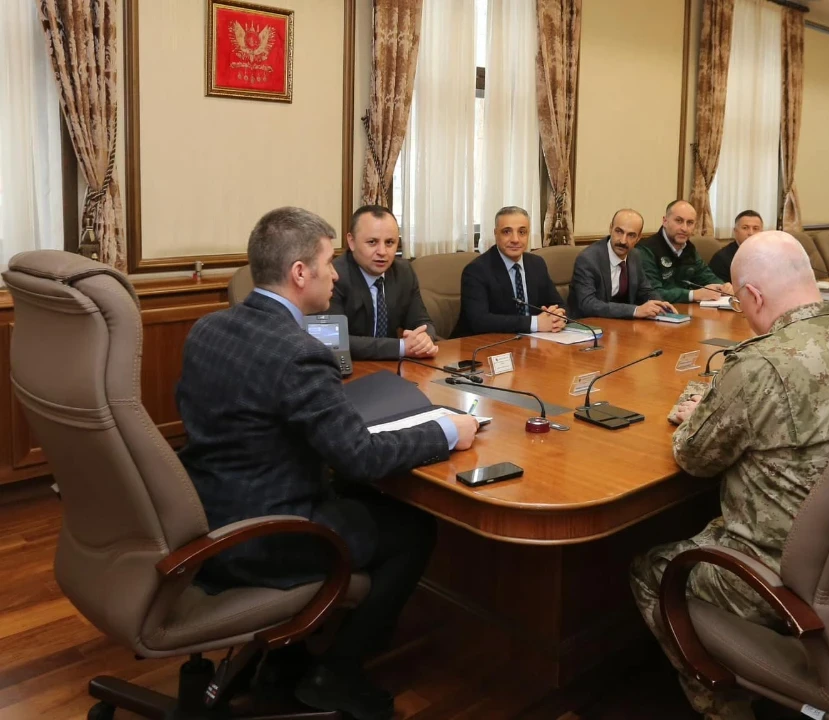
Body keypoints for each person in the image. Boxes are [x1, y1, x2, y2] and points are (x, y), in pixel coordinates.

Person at [177, 207, 479, 720]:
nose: (336, 274)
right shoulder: (300, 351)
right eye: (327, 263)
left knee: (359, 499)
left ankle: (288, 653)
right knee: (413, 529)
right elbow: (360, 457)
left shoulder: (207, 328)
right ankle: (336, 674)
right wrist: (447, 431)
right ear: (300, 273)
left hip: (207, 517)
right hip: (266, 536)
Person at [630, 231, 829, 720]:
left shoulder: (758, 365)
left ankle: (725, 706)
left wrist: (697, 413)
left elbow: (694, 458)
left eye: (741, 304)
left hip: (780, 575)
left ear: (754, 296)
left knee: (650, 569)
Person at [327, 204, 437, 359]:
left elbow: (422, 322)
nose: (382, 252)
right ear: (351, 242)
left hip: (391, 366)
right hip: (348, 367)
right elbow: (333, 340)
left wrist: (424, 339)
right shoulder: (333, 276)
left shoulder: (403, 272)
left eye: (389, 242)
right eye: (372, 242)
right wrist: (401, 347)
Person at [456, 206, 566, 336]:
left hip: (532, 341)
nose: (515, 239)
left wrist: (558, 316)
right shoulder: (476, 270)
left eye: (522, 232)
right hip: (484, 343)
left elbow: (559, 304)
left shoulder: (537, 264)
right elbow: (479, 321)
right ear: (495, 234)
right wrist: (535, 323)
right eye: (507, 232)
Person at [568, 208, 676, 319]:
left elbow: (645, 290)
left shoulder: (635, 255)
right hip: (588, 323)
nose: (623, 241)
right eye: (619, 231)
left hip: (621, 323)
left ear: (638, 238)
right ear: (610, 228)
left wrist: (660, 304)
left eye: (631, 235)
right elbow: (588, 304)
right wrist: (635, 310)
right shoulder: (588, 259)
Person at [635, 199, 732, 304]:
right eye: (679, 221)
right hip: (657, 310)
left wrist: (723, 287)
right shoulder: (645, 250)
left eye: (690, 223)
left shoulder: (689, 248)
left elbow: (706, 276)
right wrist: (693, 295)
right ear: (665, 221)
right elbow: (652, 293)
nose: (684, 228)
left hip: (688, 309)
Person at [708, 210, 764, 282]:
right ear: (735, 231)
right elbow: (720, 287)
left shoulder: (768, 254)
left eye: (755, 228)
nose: (751, 233)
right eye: (745, 228)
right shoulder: (721, 258)